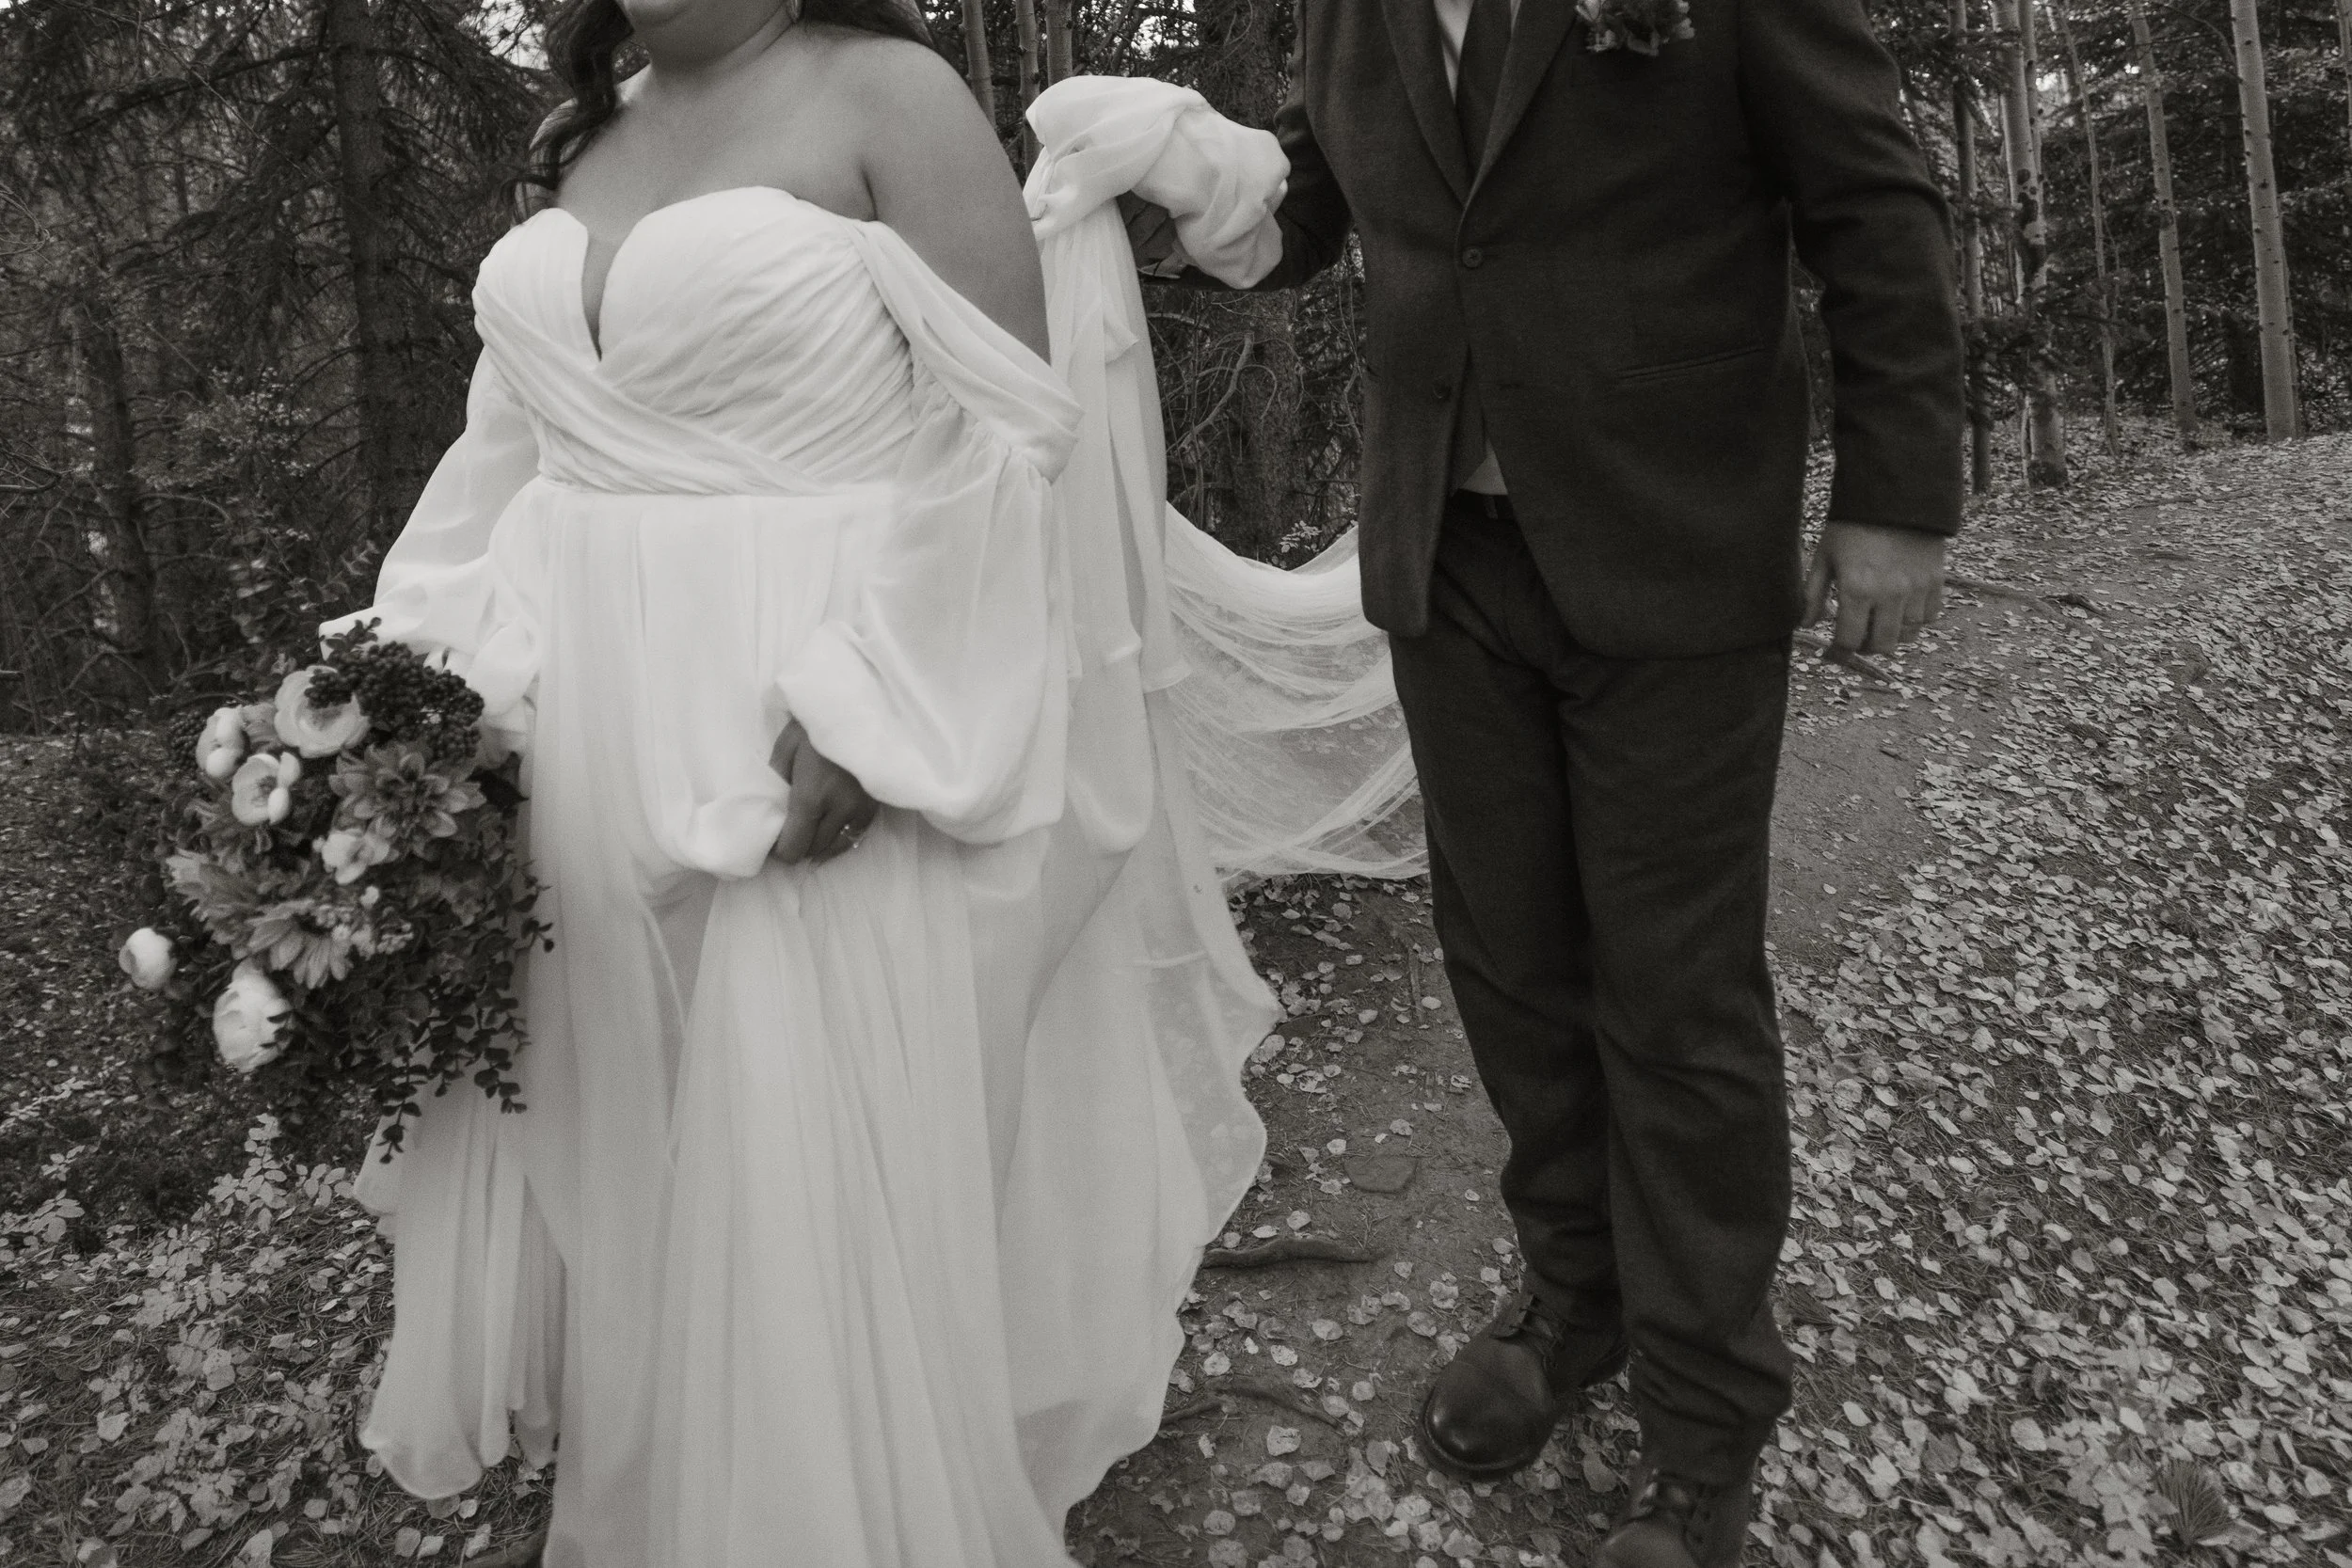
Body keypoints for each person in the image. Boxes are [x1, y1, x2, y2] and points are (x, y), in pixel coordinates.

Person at [330, 5, 1275, 1563]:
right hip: (587, 720)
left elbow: (1007, 425)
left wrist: (876, 700)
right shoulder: (586, 135)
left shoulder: (887, 96)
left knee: (803, 1155)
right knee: (631, 1116)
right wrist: (404, 688)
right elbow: (510, 440)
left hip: (803, 726)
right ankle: (669, 1475)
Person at [1128, 0, 1965, 1560]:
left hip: (1673, 538)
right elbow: (1311, 205)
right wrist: (1180, 176)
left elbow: (1872, 200)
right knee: (1510, 964)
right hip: (1446, 559)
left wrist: (1900, 494)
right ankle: (1575, 1305)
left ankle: (1708, 1422)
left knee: (1677, 996)